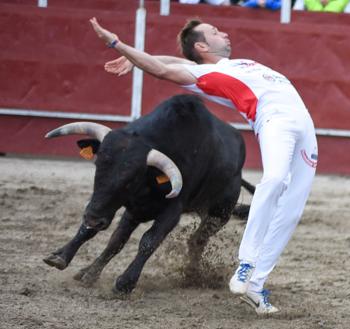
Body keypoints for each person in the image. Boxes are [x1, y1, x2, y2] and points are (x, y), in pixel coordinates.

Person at [90, 17, 318, 315]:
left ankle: (256, 287)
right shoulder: (204, 76)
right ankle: (247, 263)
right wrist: (116, 43)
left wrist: (135, 58)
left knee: (292, 209)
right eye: (214, 32)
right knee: (274, 181)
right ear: (201, 46)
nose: (223, 32)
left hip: (306, 127)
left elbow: (165, 59)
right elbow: (162, 69)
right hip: (275, 121)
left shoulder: (231, 65)